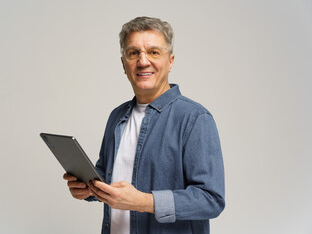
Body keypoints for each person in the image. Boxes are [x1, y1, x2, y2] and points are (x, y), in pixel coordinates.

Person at [63, 16, 225, 234]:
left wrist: (142, 201)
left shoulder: (195, 118)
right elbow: (109, 178)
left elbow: (211, 199)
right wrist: (89, 190)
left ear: (171, 61)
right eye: (133, 53)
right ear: (123, 64)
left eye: (154, 52)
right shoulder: (116, 116)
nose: (143, 61)